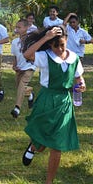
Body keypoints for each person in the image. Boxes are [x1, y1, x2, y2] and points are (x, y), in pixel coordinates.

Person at [21, 26, 86, 184]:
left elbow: (79, 78)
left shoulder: (74, 58)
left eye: (62, 44)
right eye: (55, 45)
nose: (59, 48)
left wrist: (82, 84)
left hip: (64, 103)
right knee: (43, 140)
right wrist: (45, 37)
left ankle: (49, 181)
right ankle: (34, 147)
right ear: (50, 44)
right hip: (47, 100)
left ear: (67, 41)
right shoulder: (45, 56)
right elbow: (27, 55)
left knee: (57, 145)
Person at [10, 19, 36, 118]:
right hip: (19, 68)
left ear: (26, 28)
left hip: (29, 66)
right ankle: (30, 94)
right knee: (20, 89)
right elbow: (15, 56)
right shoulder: (14, 42)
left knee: (22, 85)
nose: (17, 29)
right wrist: (14, 65)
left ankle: (17, 108)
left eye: (19, 27)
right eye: (16, 27)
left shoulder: (31, 40)